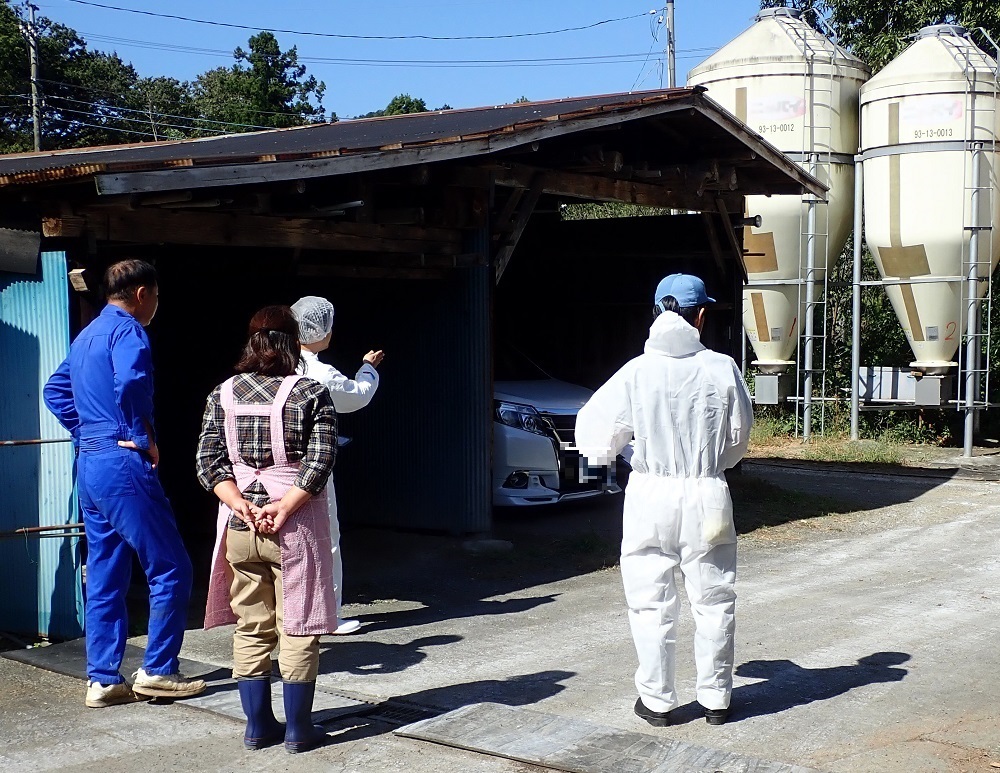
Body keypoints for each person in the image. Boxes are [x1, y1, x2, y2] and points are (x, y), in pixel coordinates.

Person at [575, 273, 753, 727]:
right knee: (714, 600)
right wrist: (710, 468)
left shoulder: (635, 372)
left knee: (650, 601)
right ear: (701, 315)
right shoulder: (722, 367)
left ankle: (657, 702)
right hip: (706, 493)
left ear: (656, 312)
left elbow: (595, 439)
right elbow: (738, 441)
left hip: (650, 496)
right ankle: (716, 698)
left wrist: (605, 470)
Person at [43, 259, 206, 708]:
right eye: (155, 296)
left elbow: (54, 391)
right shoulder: (129, 330)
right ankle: (157, 670)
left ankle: (103, 679)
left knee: (106, 573)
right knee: (172, 566)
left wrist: (88, 432)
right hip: (122, 460)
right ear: (141, 294)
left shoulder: (86, 336)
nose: (155, 305)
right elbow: (132, 380)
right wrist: (139, 435)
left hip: (91, 464)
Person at [197, 305, 338, 754]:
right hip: (293, 527)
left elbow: (208, 462)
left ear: (252, 343)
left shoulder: (222, 393)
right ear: (293, 342)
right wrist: (282, 508)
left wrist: (242, 504)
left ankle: (257, 728)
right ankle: (299, 730)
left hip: (239, 524)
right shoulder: (310, 393)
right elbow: (319, 462)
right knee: (297, 625)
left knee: (251, 625)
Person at [290, 296, 384, 635]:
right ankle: (327, 614)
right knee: (325, 535)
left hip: (266, 466)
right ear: (321, 330)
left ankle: (285, 613)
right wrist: (368, 367)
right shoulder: (318, 371)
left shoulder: (277, 363)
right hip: (309, 465)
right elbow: (356, 395)